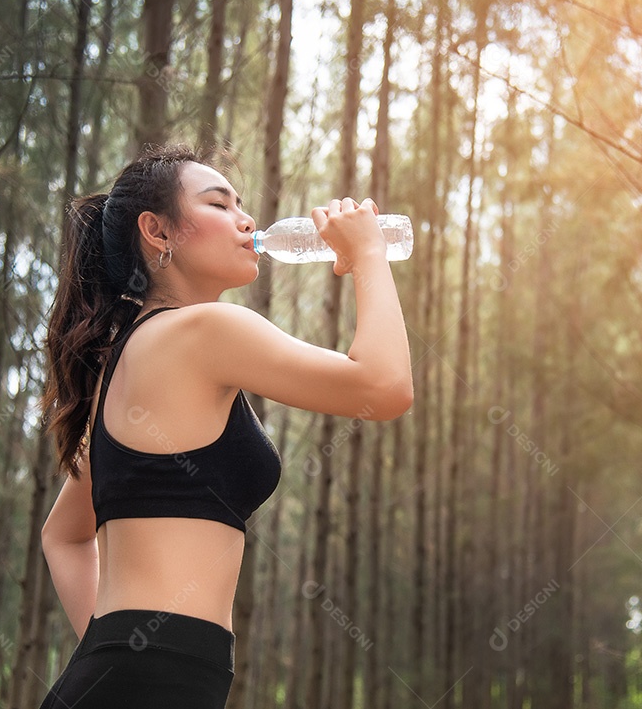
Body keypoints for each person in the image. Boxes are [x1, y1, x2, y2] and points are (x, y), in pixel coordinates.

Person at [36, 144, 412, 708]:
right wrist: (370, 256)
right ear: (157, 233)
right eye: (219, 203)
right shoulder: (206, 330)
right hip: (152, 684)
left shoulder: (124, 365)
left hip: (137, 680)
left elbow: (62, 536)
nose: (247, 219)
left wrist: (114, 647)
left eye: (243, 203)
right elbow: (384, 388)